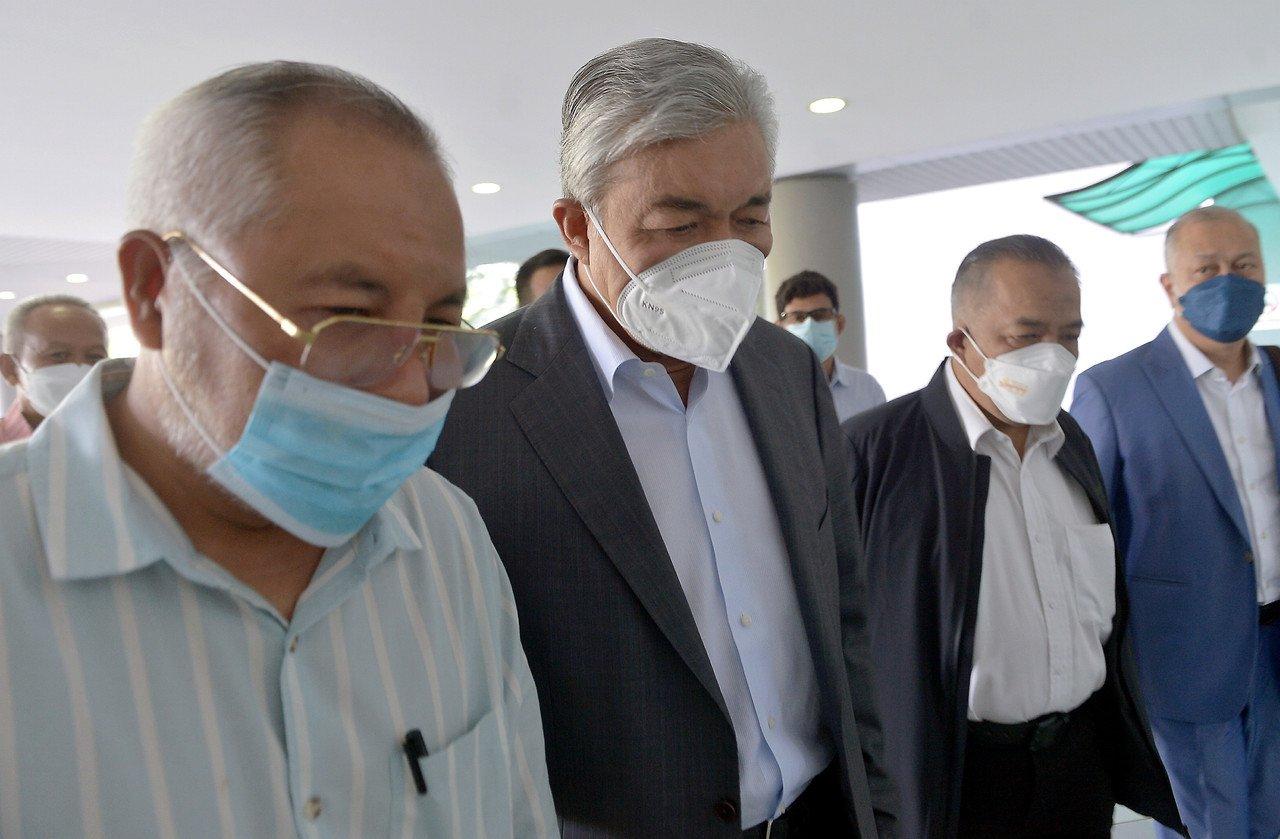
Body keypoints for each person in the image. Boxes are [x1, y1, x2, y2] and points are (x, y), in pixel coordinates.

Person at [0, 61, 555, 837]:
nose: (408, 392)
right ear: (153, 291)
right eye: (348, 319)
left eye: (437, 326)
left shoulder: (446, 536)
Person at [431, 38, 895, 838]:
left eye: (751, 215)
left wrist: (879, 810)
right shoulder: (469, 406)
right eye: (679, 223)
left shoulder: (788, 372)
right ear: (578, 226)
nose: (725, 253)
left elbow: (844, 617)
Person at [844, 235, 1183, 838]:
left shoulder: (1069, 443)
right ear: (960, 342)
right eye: (1025, 337)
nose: (1052, 357)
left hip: (1078, 764)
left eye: (1069, 335)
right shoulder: (872, 454)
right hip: (960, 777)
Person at [1072, 206, 1280, 838]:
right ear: (1170, 285)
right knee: (1209, 827)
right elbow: (1089, 537)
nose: (1229, 279)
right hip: (1183, 655)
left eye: (1244, 265)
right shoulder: (1113, 389)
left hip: (1276, 641)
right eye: (1206, 268)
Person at [775, 270, 885, 421]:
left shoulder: (867, 389)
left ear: (839, 325)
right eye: (798, 317)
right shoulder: (767, 390)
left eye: (820, 315)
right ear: (778, 329)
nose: (809, 326)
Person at [0, 294, 108, 443]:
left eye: (94, 356)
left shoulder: (125, 444)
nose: (80, 367)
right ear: (10, 369)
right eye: (58, 355)